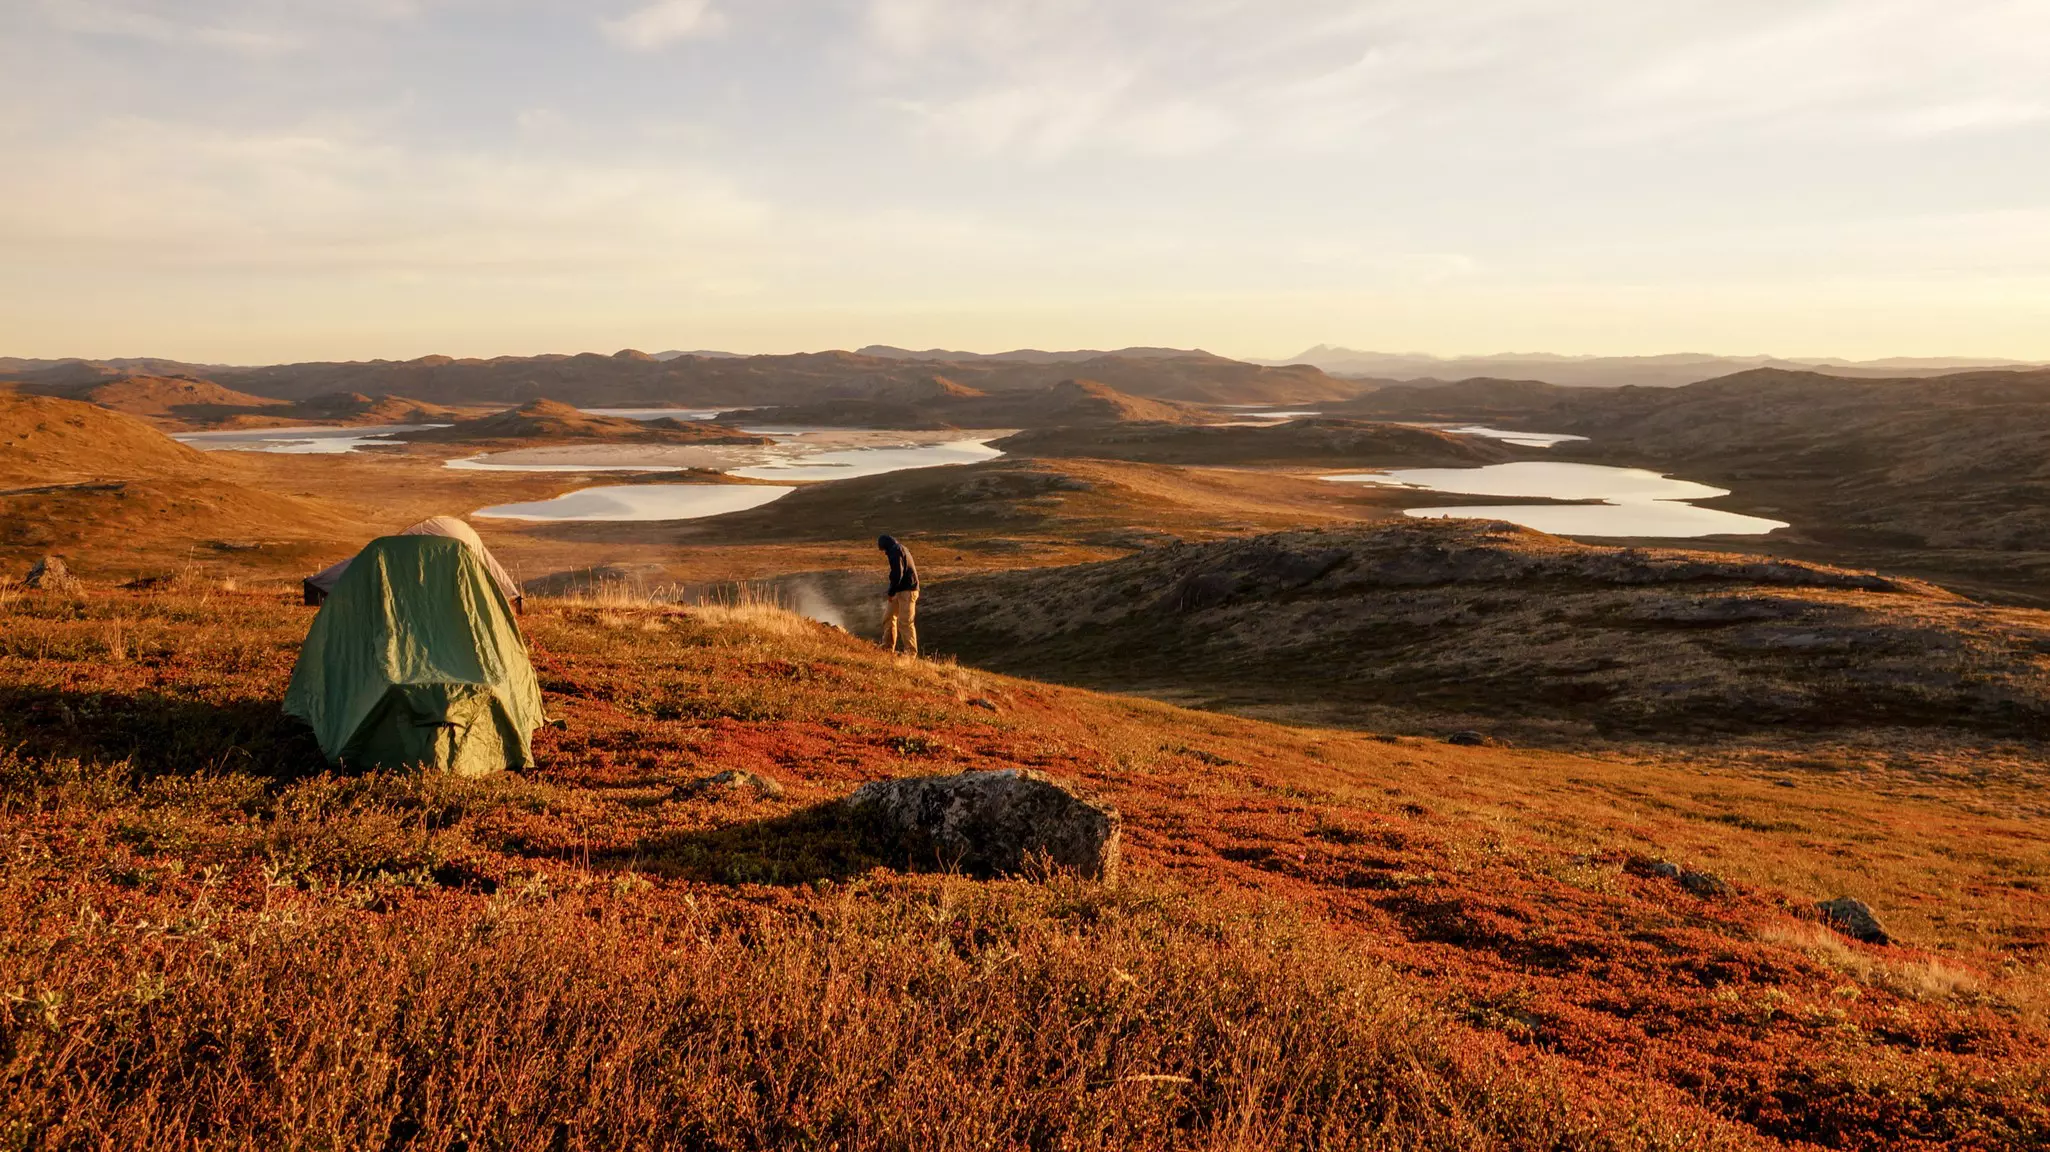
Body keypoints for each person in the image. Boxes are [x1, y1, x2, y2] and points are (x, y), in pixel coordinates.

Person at [877, 534, 918, 655]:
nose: (884, 553)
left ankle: (910, 653)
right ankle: (887, 646)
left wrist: (891, 592)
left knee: (905, 622)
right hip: (900, 590)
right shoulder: (899, 549)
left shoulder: (895, 551)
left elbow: (897, 574)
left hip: (908, 591)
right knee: (889, 617)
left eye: (884, 550)